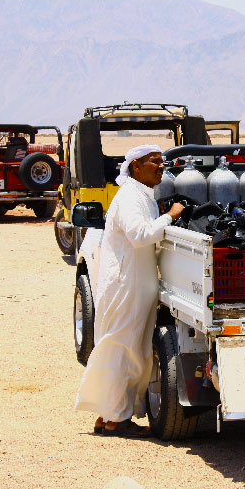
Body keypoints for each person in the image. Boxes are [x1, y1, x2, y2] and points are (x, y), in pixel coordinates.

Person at [74, 144, 184, 438]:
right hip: (126, 287)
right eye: (154, 162)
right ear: (136, 166)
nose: (161, 166)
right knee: (124, 350)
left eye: (162, 162)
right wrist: (171, 215)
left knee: (127, 350)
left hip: (134, 285)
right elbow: (140, 235)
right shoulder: (129, 197)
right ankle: (116, 420)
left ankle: (108, 416)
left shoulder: (140, 195)